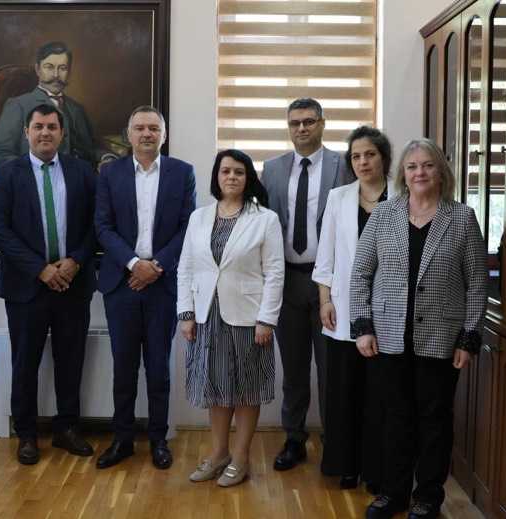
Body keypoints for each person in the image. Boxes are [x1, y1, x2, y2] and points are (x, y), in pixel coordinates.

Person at [349, 138, 487, 519]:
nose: (419, 172)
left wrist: (469, 338)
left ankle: (428, 497)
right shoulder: (383, 214)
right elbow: (360, 274)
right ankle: (393, 493)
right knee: (395, 419)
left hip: (441, 340)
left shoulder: (462, 218)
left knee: (434, 422)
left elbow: (477, 283)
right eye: (412, 167)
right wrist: (362, 326)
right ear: (403, 174)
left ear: (441, 171)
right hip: (389, 338)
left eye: (427, 165)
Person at [0, 104, 97, 465]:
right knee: (25, 363)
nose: (45, 132)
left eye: (52, 126)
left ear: (62, 133)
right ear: (27, 132)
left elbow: (96, 223)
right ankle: (27, 435)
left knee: (71, 361)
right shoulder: (7, 173)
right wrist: (40, 269)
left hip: (73, 284)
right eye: (38, 126)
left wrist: (75, 260)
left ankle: (67, 429)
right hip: (26, 286)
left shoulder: (82, 172)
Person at [95, 105, 196, 470]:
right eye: (140, 128)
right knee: (123, 368)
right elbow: (102, 226)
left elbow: (188, 226)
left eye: (154, 128)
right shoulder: (110, 173)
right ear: (129, 134)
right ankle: (122, 440)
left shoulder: (182, 172)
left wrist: (156, 266)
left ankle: (158, 440)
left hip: (163, 283)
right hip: (122, 283)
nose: (147, 134)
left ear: (163, 135)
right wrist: (133, 263)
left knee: (158, 368)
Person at [177, 149, 284, 487]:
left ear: (248, 177)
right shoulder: (199, 217)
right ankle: (219, 453)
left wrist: (267, 319)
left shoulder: (265, 218)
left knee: (246, 389)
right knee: (216, 388)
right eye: (225, 171)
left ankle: (240, 457)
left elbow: (275, 272)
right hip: (207, 316)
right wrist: (186, 313)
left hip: (249, 318)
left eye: (239, 171)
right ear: (217, 177)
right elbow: (186, 268)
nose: (232, 177)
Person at [261, 97, 353, 471]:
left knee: (332, 370)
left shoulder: (344, 166)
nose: (301, 128)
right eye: (295, 122)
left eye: (309, 121)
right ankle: (294, 439)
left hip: (329, 284)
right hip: (287, 281)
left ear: (322, 124)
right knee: (294, 370)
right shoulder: (272, 169)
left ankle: (336, 442)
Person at [313, 126, 394, 491]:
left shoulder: (402, 196)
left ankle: (378, 470)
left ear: (384, 158)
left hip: (390, 310)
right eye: (356, 156)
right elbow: (325, 255)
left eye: (370, 154)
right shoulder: (339, 197)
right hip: (344, 308)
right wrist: (325, 300)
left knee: (381, 394)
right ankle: (346, 465)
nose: (363, 162)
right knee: (344, 391)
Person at [0, 41, 98, 169]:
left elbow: (92, 148)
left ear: (69, 72)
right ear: (38, 70)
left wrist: (106, 158)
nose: (56, 75)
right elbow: (0, 155)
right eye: (49, 67)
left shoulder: (76, 109)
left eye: (62, 68)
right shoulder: (18, 105)